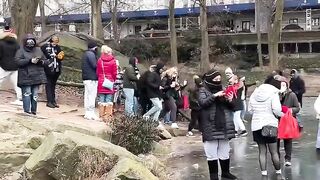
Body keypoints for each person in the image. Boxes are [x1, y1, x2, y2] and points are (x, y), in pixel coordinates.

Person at [198, 69, 237, 180]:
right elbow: (203, 103)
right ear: (210, 79)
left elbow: (233, 107)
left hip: (224, 124)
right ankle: (213, 176)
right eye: (215, 79)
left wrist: (229, 100)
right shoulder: (203, 90)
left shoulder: (223, 89)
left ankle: (225, 172)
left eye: (219, 79)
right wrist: (214, 96)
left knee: (225, 151)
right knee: (211, 154)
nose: (218, 81)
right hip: (210, 125)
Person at [248, 76, 283, 176]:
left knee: (262, 151)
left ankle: (264, 173)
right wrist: (284, 115)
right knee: (274, 152)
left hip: (256, 125)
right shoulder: (274, 93)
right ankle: (278, 172)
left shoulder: (255, 93)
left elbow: (250, 110)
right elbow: (276, 109)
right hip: (270, 124)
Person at [15, 34, 47, 115]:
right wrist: (29, 60)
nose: (30, 43)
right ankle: (27, 111)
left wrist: (39, 61)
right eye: (29, 41)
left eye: (32, 41)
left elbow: (45, 61)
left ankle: (33, 111)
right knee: (27, 93)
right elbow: (17, 62)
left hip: (37, 76)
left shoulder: (38, 50)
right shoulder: (21, 51)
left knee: (35, 95)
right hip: (25, 76)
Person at [275, 75, 300, 167]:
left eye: (284, 84)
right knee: (276, 139)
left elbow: (297, 108)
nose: (282, 86)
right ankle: (276, 157)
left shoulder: (292, 95)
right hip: (276, 120)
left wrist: (290, 110)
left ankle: (288, 158)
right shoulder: (274, 95)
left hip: (287, 121)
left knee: (288, 140)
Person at [0, 24, 22, 105]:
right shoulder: (16, 43)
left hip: (4, 66)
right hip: (15, 66)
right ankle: (20, 99)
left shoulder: (1, 43)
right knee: (17, 83)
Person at [41, 35, 64, 108]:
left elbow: (60, 57)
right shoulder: (45, 46)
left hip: (56, 69)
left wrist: (58, 56)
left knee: (53, 85)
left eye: (57, 41)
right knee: (48, 85)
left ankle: (53, 101)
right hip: (48, 69)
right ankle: (49, 101)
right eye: (54, 41)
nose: (55, 42)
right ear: (51, 40)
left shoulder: (58, 47)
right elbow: (44, 55)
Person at [96, 45, 117, 122]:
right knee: (108, 99)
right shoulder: (113, 61)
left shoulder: (99, 60)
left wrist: (100, 78)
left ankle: (101, 116)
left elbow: (98, 72)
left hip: (101, 81)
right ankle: (107, 116)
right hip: (110, 81)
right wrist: (113, 80)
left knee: (101, 99)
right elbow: (115, 73)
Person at [81, 41, 99, 120]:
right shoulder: (91, 54)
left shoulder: (85, 54)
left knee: (87, 95)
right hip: (92, 78)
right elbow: (94, 65)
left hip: (86, 77)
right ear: (94, 47)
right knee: (92, 95)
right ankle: (91, 112)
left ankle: (87, 113)